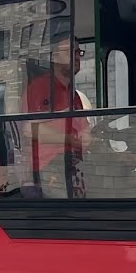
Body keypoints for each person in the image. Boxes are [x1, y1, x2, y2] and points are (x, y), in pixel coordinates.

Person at [23, 35, 89, 198]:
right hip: (51, 168)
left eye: (78, 52)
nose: (76, 56)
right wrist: (70, 139)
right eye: (70, 52)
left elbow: (85, 130)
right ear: (54, 57)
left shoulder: (74, 96)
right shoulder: (39, 88)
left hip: (75, 163)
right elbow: (30, 129)